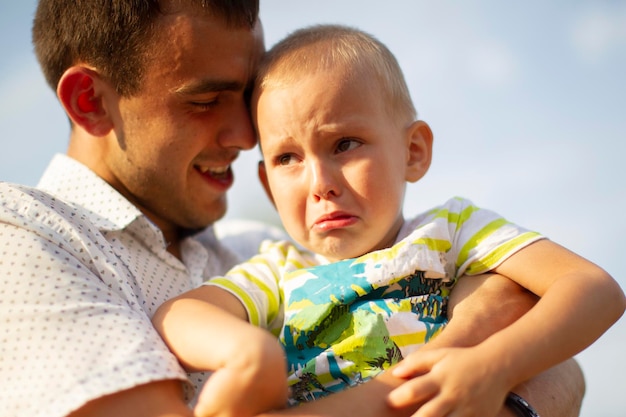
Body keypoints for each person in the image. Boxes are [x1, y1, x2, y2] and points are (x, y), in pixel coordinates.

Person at [0, 1, 593, 416]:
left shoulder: (254, 249)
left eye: (246, 97)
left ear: (414, 150)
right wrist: (461, 355)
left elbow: (553, 331)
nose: (242, 131)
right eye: (206, 99)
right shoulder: (25, 236)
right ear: (89, 101)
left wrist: (499, 352)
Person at [153, 24, 625, 417]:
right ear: (266, 187)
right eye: (287, 158)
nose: (320, 183)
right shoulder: (278, 270)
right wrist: (246, 354)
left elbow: (592, 288)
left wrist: (495, 366)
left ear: (413, 152)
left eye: (344, 144)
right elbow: (180, 314)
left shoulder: (450, 230)